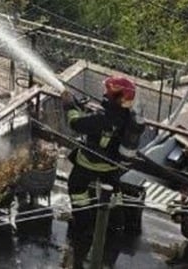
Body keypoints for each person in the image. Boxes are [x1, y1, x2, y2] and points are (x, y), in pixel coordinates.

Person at [61, 76, 139, 269]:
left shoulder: (105, 117)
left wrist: (70, 106)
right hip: (112, 168)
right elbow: (99, 124)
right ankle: (115, 225)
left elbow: (76, 125)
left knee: (77, 189)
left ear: (115, 95)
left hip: (89, 165)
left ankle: (82, 223)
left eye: (108, 91)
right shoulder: (129, 116)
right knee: (113, 195)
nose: (104, 93)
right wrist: (84, 109)